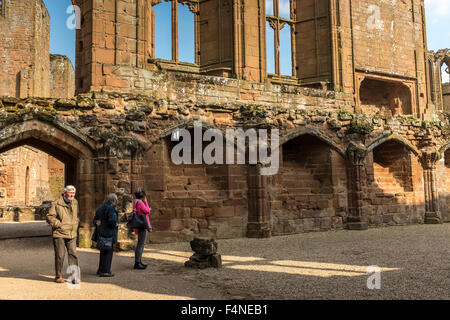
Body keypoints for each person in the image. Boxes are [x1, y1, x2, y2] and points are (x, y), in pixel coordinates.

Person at [46, 185, 79, 284]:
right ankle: (58, 276)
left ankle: (74, 276)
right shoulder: (56, 203)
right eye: (70, 193)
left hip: (72, 233)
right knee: (60, 255)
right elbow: (49, 217)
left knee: (73, 255)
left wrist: (76, 223)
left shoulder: (75, 202)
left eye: (73, 193)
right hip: (59, 234)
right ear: (65, 193)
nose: (72, 195)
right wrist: (58, 225)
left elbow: (76, 215)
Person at [92, 194, 119, 277]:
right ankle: (106, 271)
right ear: (113, 200)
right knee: (108, 252)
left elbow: (95, 220)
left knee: (103, 251)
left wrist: (97, 223)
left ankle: (101, 270)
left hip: (101, 233)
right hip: (108, 233)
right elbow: (112, 220)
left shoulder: (101, 207)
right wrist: (115, 224)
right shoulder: (110, 208)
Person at [132, 187, 152, 270]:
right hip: (142, 224)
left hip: (138, 224)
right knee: (141, 244)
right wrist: (146, 202)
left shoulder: (135, 202)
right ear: (143, 195)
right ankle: (137, 262)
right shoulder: (140, 202)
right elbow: (147, 211)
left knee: (140, 244)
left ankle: (139, 261)